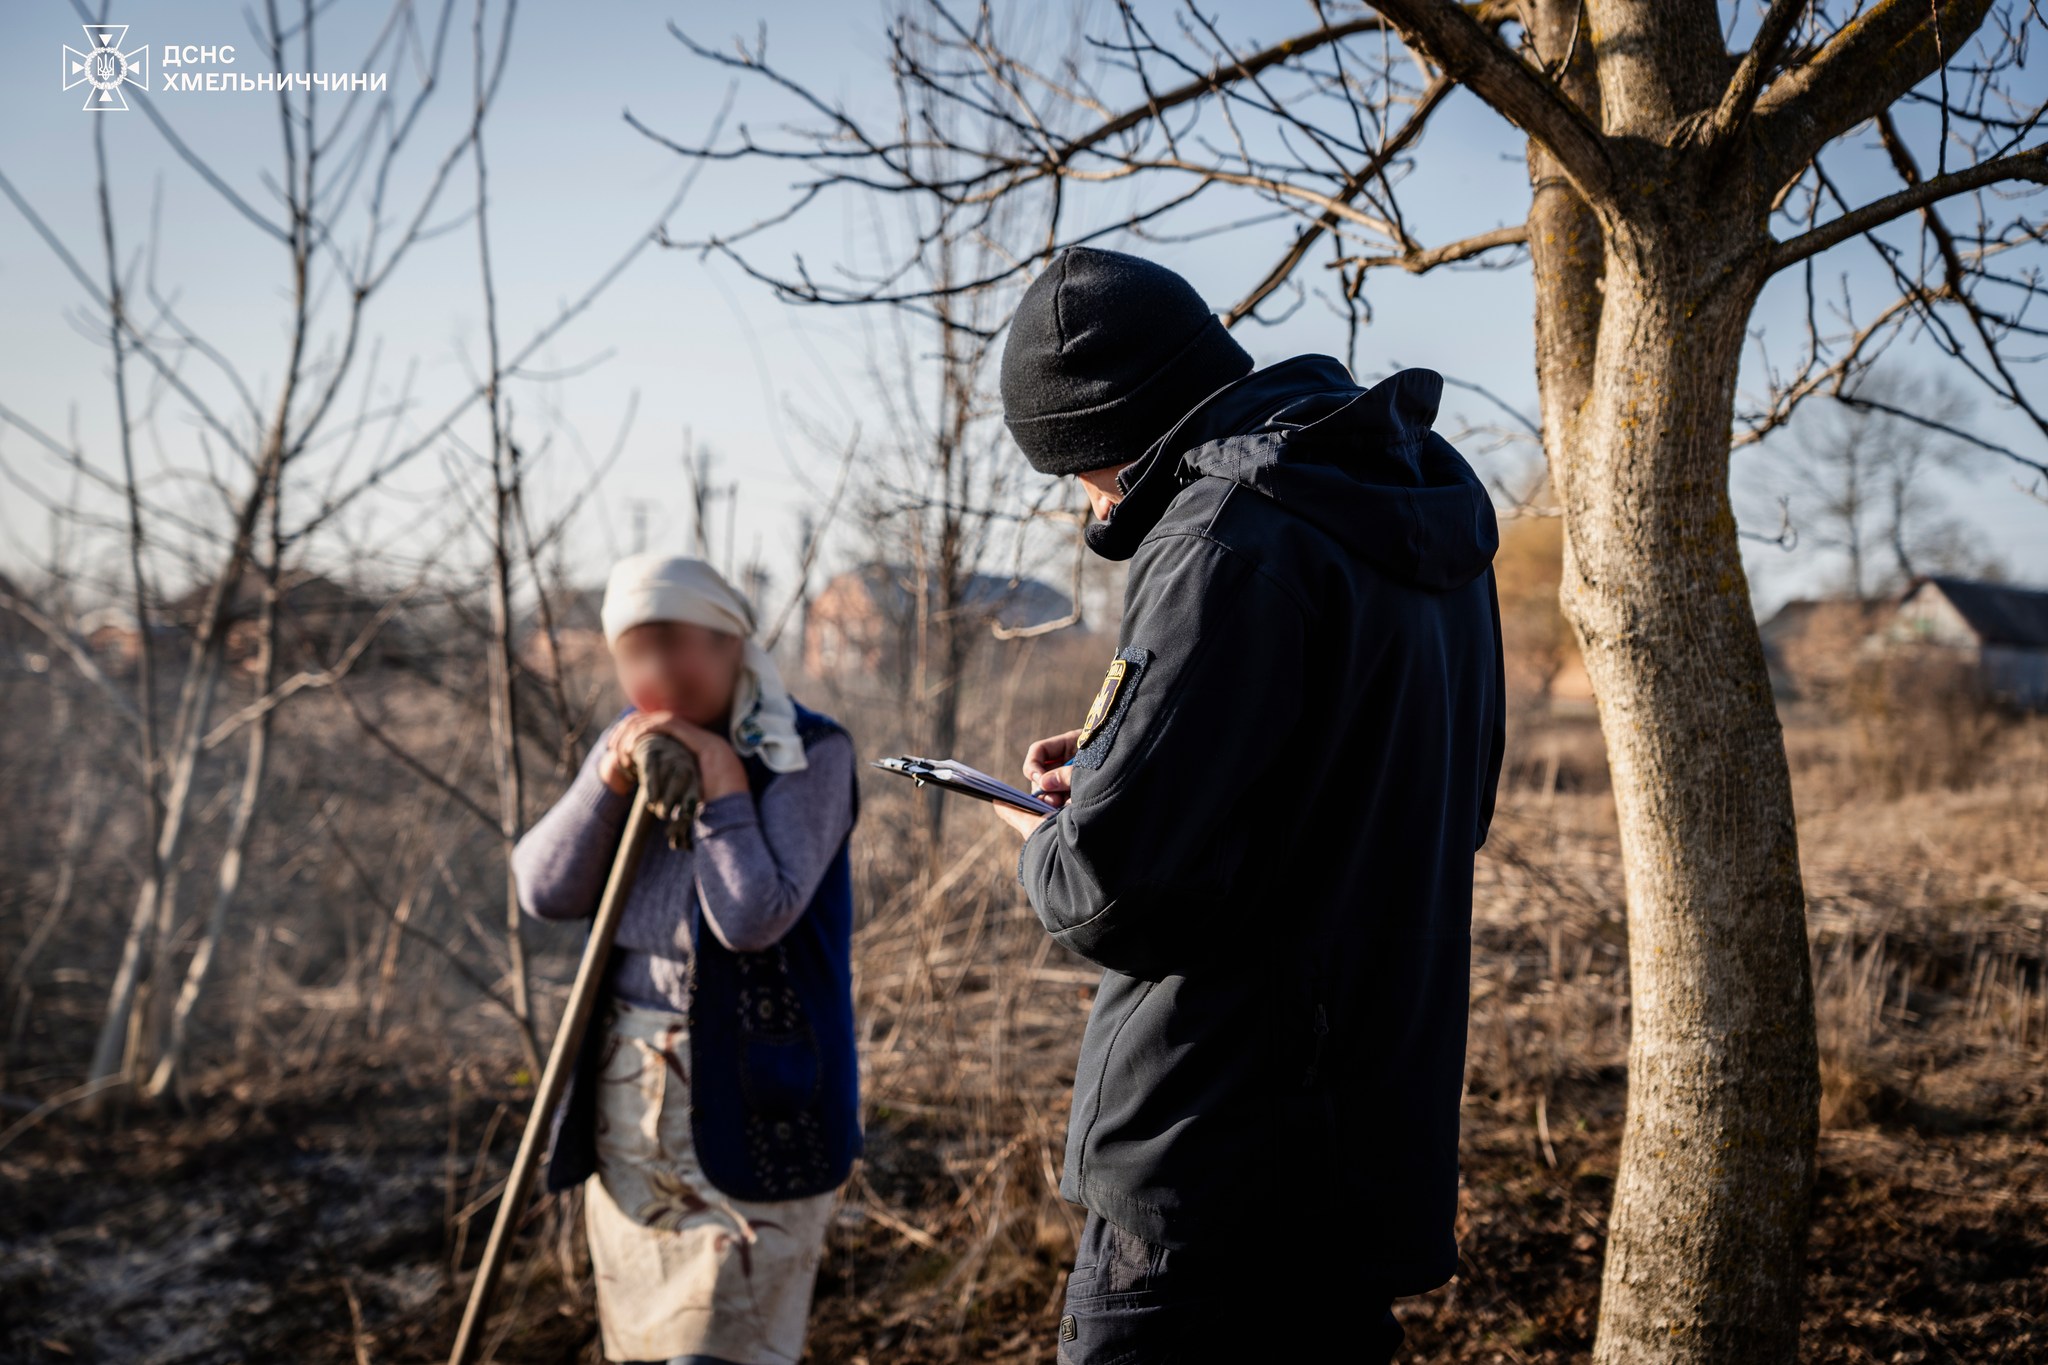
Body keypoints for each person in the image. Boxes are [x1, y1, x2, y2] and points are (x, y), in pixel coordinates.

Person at [987, 246, 1506, 1363]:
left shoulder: (1220, 534)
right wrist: (1151, 756)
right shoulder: (1413, 502)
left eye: (1071, 473)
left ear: (1100, 439)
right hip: (1368, 1135)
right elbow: (1429, 797)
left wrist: (1048, 836)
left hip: (1207, 1151)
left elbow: (1109, 889)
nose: (1080, 500)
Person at [510, 553, 861, 1365]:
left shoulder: (808, 752)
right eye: (635, 651)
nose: (658, 669)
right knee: (648, 1347)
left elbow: (752, 917)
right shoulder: (628, 748)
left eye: (678, 642)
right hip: (631, 1101)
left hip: (755, 1092)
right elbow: (543, 888)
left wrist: (718, 776)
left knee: (720, 1349)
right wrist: (609, 777)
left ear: (731, 638)